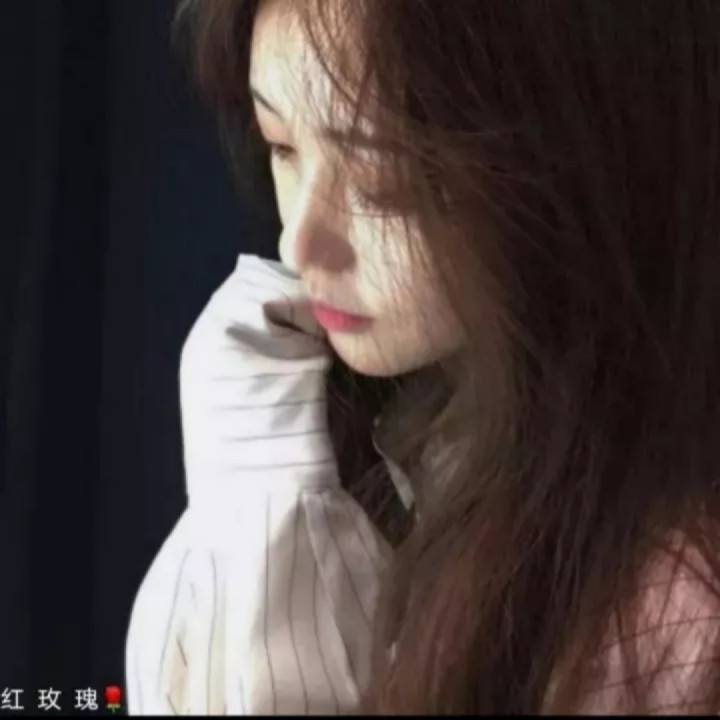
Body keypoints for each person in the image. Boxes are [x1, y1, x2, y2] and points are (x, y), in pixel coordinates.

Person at [126, 0, 720, 714]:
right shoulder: (337, 421)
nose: (298, 243)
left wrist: (265, 507)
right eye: (280, 144)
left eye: (384, 182)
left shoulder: (667, 615)